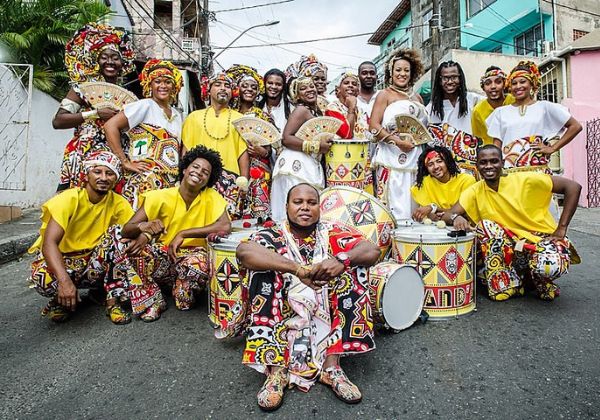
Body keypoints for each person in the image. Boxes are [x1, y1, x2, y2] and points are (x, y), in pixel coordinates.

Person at [237, 183, 380, 411]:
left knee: (354, 270)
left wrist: (342, 260)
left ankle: (331, 367)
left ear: (319, 209)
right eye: (298, 202)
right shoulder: (272, 233)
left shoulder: (331, 231)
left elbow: (372, 250)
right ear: (286, 207)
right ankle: (276, 370)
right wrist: (297, 270)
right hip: (283, 307)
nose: (305, 208)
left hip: (324, 302)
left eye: (311, 203)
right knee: (262, 274)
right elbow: (244, 252)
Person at [443, 145, 581, 301]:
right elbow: (448, 213)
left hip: (539, 241)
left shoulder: (525, 179)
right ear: (477, 166)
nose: (489, 166)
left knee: (551, 265)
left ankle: (536, 279)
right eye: (483, 162)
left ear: (502, 163)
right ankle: (507, 283)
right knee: (485, 226)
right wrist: (456, 217)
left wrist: (561, 229)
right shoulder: (475, 190)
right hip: (511, 246)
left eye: (494, 161)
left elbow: (573, 187)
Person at [115, 145, 231, 321]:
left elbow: (224, 226)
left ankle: (181, 287)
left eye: (205, 172)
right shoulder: (159, 196)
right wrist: (143, 227)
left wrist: (184, 234)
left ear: (208, 180)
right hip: (163, 255)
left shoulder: (211, 196)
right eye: (196, 167)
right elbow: (127, 228)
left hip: (191, 257)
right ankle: (153, 301)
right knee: (127, 244)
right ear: (184, 170)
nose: (199, 173)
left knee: (185, 299)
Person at [28, 151, 134, 324]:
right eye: (97, 171)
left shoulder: (119, 203)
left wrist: (144, 229)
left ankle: (112, 301)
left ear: (116, 178)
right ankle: (61, 300)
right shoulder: (68, 199)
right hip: (65, 261)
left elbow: (129, 234)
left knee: (120, 236)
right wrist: (64, 282)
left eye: (109, 173)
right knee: (42, 278)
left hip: (93, 262)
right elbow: (49, 244)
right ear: (87, 174)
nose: (104, 177)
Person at [53, 22, 135, 192]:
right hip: (84, 153)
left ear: (122, 62)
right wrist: (95, 114)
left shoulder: (126, 95)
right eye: (104, 57)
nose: (110, 62)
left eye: (115, 58)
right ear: (96, 60)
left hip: (117, 154)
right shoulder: (81, 89)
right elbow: (58, 121)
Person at [104, 59, 183, 209]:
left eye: (167, 82)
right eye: (157, 81)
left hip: (170, 182)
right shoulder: (144, 105)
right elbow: (110, 126)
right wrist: (124, 161)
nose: (163, 86)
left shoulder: (178, 116)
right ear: (149, 85)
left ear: (174, 86)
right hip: (144, 180)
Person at [486, 60, 582, 172]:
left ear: (532, 84)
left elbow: (575, 126)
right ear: (510, 87)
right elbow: (497, 146)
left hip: (537, 169)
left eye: (522, 82)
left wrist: (552, 148)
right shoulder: (500, 112)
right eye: (514, 83)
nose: (518, 86)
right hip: (509, 171)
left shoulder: (544, 107)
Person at [369, 48, 428, 222]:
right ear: (391, 72)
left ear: (412, 73)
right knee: (393, 205)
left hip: (415, 157)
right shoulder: (384, 95)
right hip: (391, 158)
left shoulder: (418, 98)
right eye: (398, 70)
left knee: (414, 202)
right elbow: (373, 125)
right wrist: (396, 141)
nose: (402, 74)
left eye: (406, 70)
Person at [181, 73, 249, 216]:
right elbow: (186, 151)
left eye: (227, 86)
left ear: (233, 92)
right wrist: (183, 178)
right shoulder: (194, 117)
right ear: (208, 90)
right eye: (217, 85)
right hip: (198, 178)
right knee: (196, 220)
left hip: (230, 180)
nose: (223, 88)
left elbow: (243, 152)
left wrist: (244, 181)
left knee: (225, 225)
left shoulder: (241, 120)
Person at [270, 77, 331, 221]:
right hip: (296, 166)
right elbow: (286, 138)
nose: (309, 90)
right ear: (296, 96)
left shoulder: (316, 112)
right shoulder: (301, 110)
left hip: (307, 163)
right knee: (294, 208)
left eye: (311, 86)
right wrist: (317, 146)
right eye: (303, 88)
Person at [226, 64, 275, 221]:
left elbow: (272, 144)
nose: (249, 90)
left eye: (253, 87)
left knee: (259, 216)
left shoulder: (264, 116)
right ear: (237, 89)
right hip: (233, 168)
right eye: (245, 86)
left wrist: (264, 152)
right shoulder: (228, 115)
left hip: (258, 172)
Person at [324, 72, 373, 192]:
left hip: (361, 163)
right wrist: (351, 108)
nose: (351, 86)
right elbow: (346, 135)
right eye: (346, 83)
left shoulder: (361, 111)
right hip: (340, 163)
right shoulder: (332, 108)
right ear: (338, 90)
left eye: (354, 84)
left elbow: (370, 134)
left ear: (358, 91)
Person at [411, 146, 476, 222]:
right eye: (430, 164)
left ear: (447, 162)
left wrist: (433, 208)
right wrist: (446, 215)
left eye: (439, 161)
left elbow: (461, 212)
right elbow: (431, 216)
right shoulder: (424, 183)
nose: (436, 167)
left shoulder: (466, 180)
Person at [427, 61, 483, 134]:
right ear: (440, 81)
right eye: (445, 78)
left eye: (454, 77)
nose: (450, 82)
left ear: (460, 78)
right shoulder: (432, 108)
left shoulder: (473, 99)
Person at [471, 66, 515, 145]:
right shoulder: (477, 111)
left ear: (504, 84)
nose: (493, 86)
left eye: (498, 82)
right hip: (492, 154)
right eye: (488, 83)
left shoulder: (514, 101)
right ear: (483, 87)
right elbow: (478, 140)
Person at [258, 68, 293, 133]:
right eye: (270, 83)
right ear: (264, 84)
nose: (274, 87)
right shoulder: (257, 106)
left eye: (278, 84)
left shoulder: (291, 109)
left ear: (283, 86)